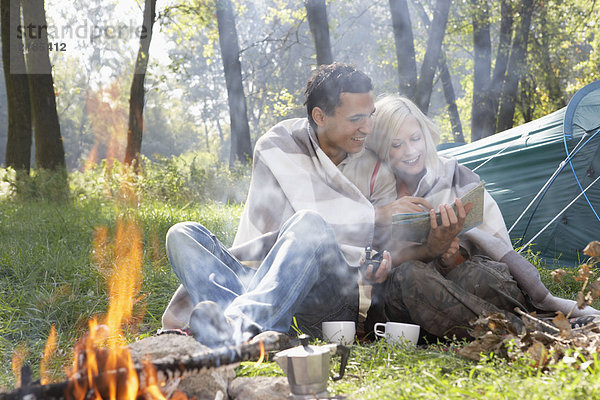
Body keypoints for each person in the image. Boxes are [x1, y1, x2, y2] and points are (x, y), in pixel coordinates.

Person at [160, 63, 392, 348]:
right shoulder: (281, 144)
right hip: (262, 281)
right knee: (182, 234)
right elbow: (303, 214)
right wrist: (375, 216)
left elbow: (382, 246)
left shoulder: (375, 168)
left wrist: (374, 267)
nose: (367, 128)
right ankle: (242, 326)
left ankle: (238, 324)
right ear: (320, 116)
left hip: (327, 302)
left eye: (370, 116)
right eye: (356, 118)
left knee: (309, 223)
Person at [351, 94, 599, 339]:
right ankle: (540, 331)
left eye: (415, 138)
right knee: (410, 276)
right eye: (396, 144)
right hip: (399, 303)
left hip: (456, 294)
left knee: (479, 276)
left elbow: (491, 249)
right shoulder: (367, 189)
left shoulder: (453, 176)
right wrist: (377, 258)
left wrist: (451, 257)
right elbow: (351, 256)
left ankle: (526, 324)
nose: (410, 150)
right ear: (382, 148)